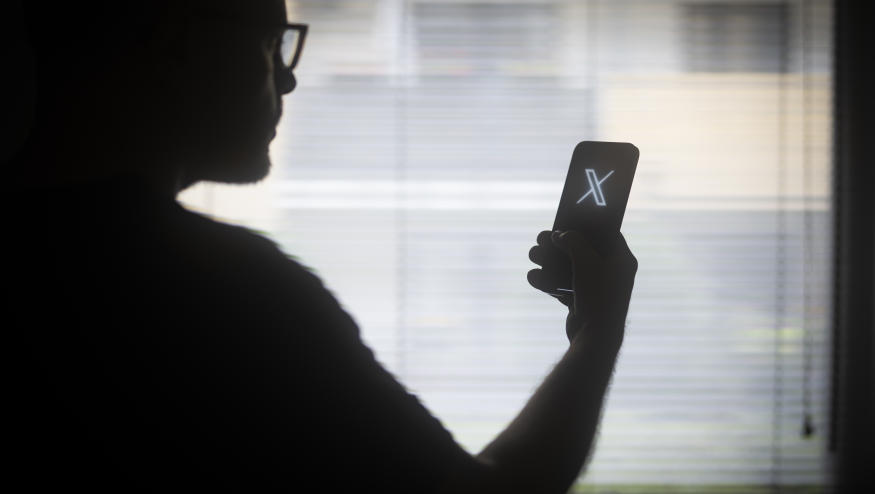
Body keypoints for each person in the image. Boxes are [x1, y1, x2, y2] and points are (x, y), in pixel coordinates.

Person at [9, 1, 637, 492]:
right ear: (178, 47)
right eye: (268, 43)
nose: (286, 78)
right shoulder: (230, 294)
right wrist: (598, 330)